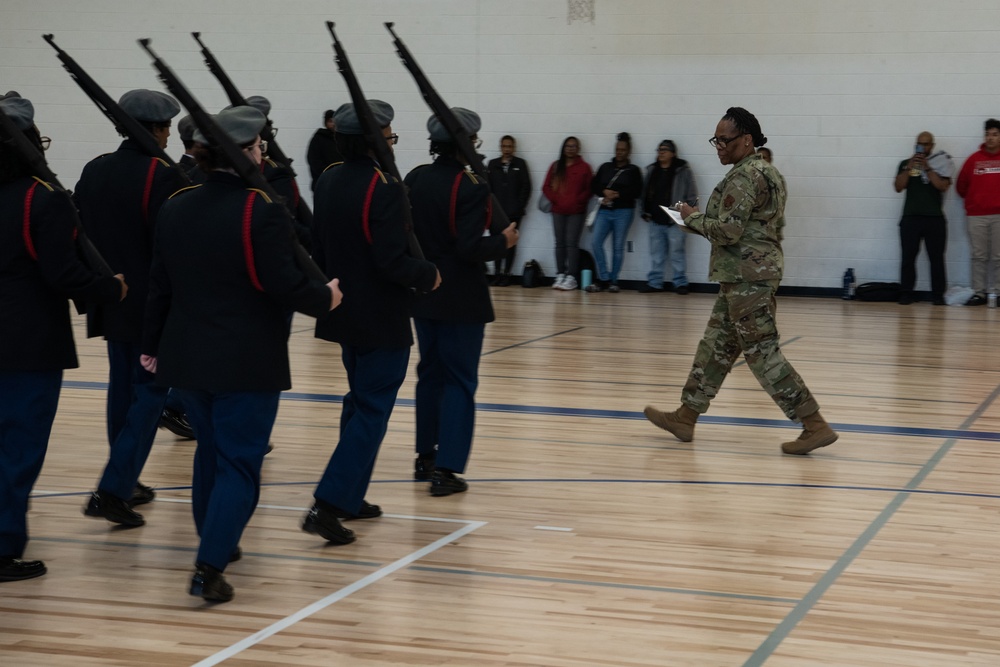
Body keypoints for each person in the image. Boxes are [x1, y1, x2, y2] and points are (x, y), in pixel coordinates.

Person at [142, 106, 342, 602]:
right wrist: (327, 300)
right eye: (259, 148)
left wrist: (150, 347)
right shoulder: (262, 209)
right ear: (249, 152)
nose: (263, 154)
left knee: (210, 452)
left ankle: (217, 539)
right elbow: (282, 284)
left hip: (187, 355)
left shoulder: (177, 204)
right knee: (239, 462)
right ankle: (209, 566)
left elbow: (159, 288)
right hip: (245, 359)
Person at [643, 107, 838, 456]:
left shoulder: (744, 176)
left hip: (747, 278)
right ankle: (686, 417)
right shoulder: (767, 171)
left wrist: (692, 218)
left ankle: (814, 424)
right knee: (715, 346)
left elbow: (728, 231)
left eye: (724, 140)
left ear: (746, 140)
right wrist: (700, 220)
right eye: (715, 139)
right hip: (744, 276)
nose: (718, 146)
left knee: (762, 353)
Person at [0, 92, 126, 582]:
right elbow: (62, 273)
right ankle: (4, 545)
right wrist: (108, 288)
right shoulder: (39, 197)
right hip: (26, 343)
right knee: (18, 448)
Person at [303, 100, 440, 545]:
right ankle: (327, 504)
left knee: (359, 400)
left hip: (343, 310)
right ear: (374, 141)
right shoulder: (385, 186)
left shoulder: (328, 179)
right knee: (372, 409)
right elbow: (390, 260)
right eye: (390, 136)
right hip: (381, 314)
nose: (393, 144)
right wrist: (428, 275)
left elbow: (320, 245)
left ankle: (350, 494)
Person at [74, 89, 187, 527]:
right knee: (151, 394)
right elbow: (171, 247)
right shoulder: (163, 175)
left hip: (111, 297)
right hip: (151, 306)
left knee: (122, 390)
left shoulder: (95, 168)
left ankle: (127, 476)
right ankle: (115, 487)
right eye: (165, 129)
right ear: (157, 129)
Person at [405, 107, 518, 495]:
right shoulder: (471, 185)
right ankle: (448, 469)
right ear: (467, 143)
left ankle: (425, 456)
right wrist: (503, 242)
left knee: (430, 375)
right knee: (459, 382)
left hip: (423, 291)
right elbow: (470, 248)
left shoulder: (415, 177)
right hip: (461, 298)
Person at [893, 132, 954, 305]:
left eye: (926, 144)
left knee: (936, 259)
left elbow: (942, 186)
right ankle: (906, 293)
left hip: (934, 219)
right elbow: (898, 187)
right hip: (910, 218)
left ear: (932, 145)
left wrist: (927, 167)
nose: (923, 147)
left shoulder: (942, 163)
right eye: (919, 144)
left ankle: (937, 295)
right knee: (908, 258)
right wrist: (909, 167)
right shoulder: (905, 164)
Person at [639, 139, 697, 294]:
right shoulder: (652, 170)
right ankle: (655, 283)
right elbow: (644, 193)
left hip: (676, 220)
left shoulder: (683, 170)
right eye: (659, 150)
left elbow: (691, 194)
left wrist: (689, 214)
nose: (661, 152)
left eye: (665, 149)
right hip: (656, 219)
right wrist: (643, 211)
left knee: (677, 254)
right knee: (656, 254)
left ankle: (680, 283)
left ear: (673, 153)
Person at [587, 132, 642, 293]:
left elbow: (637, 191)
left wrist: (617, 194)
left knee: (617, 246)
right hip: (604, 211)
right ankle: (603, 277)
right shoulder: (605, 167)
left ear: (629, 151)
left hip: (623, 211)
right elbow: (593, 185)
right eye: (617, 149)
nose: (619, 152)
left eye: (623, 150)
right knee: (596, 242)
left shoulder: (633, 170)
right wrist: (604, 191)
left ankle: (614, 280)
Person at [956, 119, 1000, 306]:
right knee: (979, 256)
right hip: (976, 216)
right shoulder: (973, 160)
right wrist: (975, 201)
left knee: (999, 256)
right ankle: (979, 292)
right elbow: (961, 186)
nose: (990, 138)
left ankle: (998, 293)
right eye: (988, 134)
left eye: (995, 134)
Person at [542, 136, 592, 291]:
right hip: (558, 211)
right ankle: (560, 274)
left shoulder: (584, 167)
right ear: (563, 148)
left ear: (578, 149)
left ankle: (571, 277)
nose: (570, 148)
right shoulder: (556, 166)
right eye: (568, 146)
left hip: (576, 212)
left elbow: (589, 188)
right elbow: (546, 187)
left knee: (572, 243)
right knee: (559, 243)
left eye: (574, 146)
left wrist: (579, 201)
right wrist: (555, 199)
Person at [487, 135, 531, 285]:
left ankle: (507, 274)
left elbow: (526, 187)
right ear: (500, 147)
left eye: (509, 146)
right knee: (497, 242)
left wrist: (519, 206)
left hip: (514, 213)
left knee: (511, 243)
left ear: (514, 148)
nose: (507, 149)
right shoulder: (492, 164)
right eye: (504, 146)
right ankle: (497, 272)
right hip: (496, 213)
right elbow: (488, 188)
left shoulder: (520, 164)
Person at [306, 108, 344, 192]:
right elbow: (313, 160)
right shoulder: (318, 138)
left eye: (335, 121)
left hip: (341, 183)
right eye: (330, 121)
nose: (333, 124)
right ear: (326, 123)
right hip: (323, 183)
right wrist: (327, 175)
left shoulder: (342, 138)